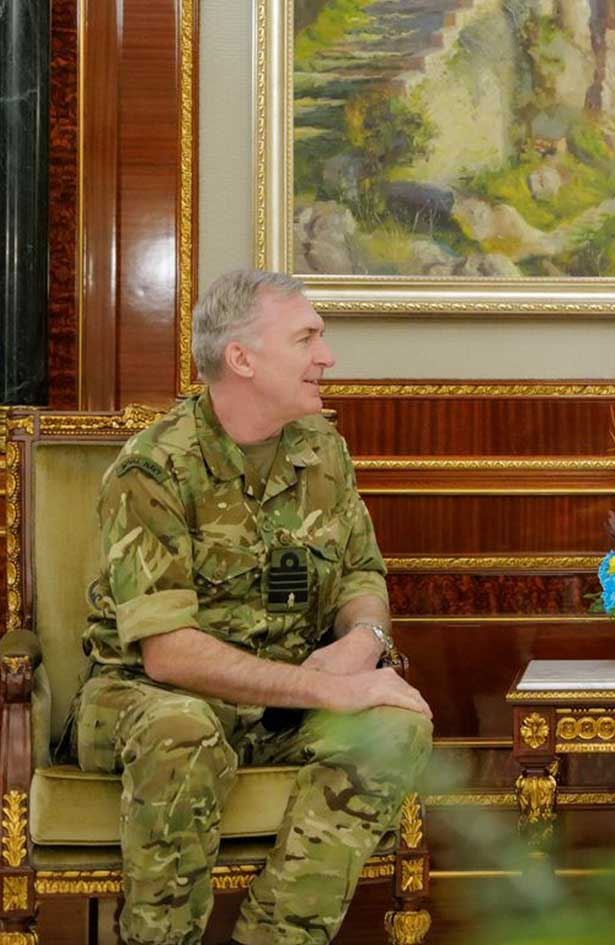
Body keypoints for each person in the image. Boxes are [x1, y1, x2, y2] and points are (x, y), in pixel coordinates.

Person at [72, 269, 433, 945]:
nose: (328, 356)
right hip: (149, 697)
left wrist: (363, 641)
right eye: (307, 338)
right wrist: (325, 688)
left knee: (394, 727)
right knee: (184, 731)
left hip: (279, 705)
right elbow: (168, 653)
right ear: (242, 358)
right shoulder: (152, 468)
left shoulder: (322, 449)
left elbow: (362, 573)